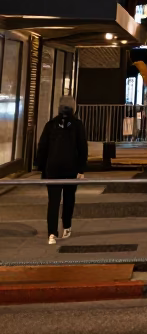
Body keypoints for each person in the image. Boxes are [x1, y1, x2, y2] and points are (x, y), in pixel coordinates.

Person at [35, 96, 88, 247]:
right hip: (70, 167)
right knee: (69, 198)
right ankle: (66, 227)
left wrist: (41, 168)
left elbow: (43, 147)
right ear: (73, 108)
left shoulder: (51, 124)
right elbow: (82, 148)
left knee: (53, 201)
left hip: (52, 168)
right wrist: (81, 169)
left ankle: (52, 233)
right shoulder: (77, 125)